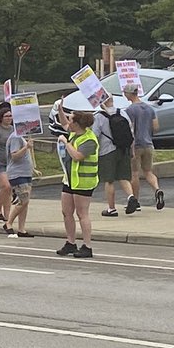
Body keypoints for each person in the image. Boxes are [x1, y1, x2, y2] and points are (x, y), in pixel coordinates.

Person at [55, 107, 98, 258]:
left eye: (71, 119)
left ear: (77, 124)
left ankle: (87, 246)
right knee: (66, 212)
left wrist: (66, 142)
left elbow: (78, 156)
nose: (68, 121)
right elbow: (63, 123)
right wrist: (60, 109)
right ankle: (70, 242)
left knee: (82, 214)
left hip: (83, 181)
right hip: (70, 180)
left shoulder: (89, 139)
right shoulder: (75, 133)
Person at [124, 84, 163, 210]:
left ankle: (136, 201)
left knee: (134, 173)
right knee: (148, 172)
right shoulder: (149, 108)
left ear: (129, 94)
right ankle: (157, 190)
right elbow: (156, 127)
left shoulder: (130, 110)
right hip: (148, 144)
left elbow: (130, 128)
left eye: (125, 93)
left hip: (136, 145)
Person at [4, 112, 37, 238]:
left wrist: (33, 168)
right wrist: (26, 147)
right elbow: (15, 156)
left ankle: (21, 228)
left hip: (25, 172)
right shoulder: (15, 137)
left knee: (25, 202)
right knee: (23, 200)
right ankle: (8, 223)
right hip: (18, 173)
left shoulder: (21, 137)